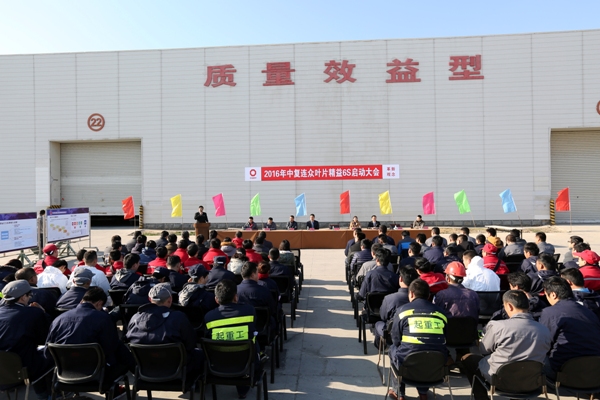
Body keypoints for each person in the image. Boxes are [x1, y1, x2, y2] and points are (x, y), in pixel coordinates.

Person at [461, 290, 551, 400]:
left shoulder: (498, 326)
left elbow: (484, 350)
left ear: (509, 306)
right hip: (531, 382)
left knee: (467, 359)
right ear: (528, 305)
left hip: (500, 380)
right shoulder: (544, 330)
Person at [47, 287, 136, 381]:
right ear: (99, 303)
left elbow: (48, 350)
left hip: (64, 372)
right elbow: (110, 348)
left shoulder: (58, 320)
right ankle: (137, 371)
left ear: (82, 301)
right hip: (97, 373)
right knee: (119, 346)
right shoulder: (103, 318)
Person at [127, 283, 203, 384]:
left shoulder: (134, 318)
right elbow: (191, 344)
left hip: (145, 371)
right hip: (177, 370)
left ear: (149, 299)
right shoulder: (179, 318)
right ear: (170, 299)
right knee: (200, 354)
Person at [388, 279, 448, 400]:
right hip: (436, 363)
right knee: (427, 351)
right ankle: (423, 393)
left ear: (411, 293)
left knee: (393, 349)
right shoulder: (441, 313)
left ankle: (399, 393)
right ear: (428, 295)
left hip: (408, 363)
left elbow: (395, 339)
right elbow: (445, 337)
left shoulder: (402, 311)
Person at [204, 279, 259, 399]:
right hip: (245, 362)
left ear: (216, 299)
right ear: (236, 297)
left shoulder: (209, 317)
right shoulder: (249, 311)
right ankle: (243, 391)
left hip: (218, 363)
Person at [0, 280, 53, 400]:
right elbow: (46, 338)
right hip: (23, 368)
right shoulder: (33, 313)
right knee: (51, 354)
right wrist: (43, 312)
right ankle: (47, 394)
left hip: (3, 368)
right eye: (30, 296)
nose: (30, 298)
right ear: (23, 297)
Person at [539, 277, 600, 380]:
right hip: (594, 369)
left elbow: (544, 342)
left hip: (564, 371)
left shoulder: (550, 312)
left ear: (553, 294)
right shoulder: (588, 311)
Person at [373, 267, 419, 348]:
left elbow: (383, 316)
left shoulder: (389, 298)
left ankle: (381, 347)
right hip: (415, 331)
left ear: (400, 279)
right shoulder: (421, 299)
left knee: (378, 324)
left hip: (392, 334)